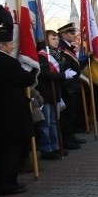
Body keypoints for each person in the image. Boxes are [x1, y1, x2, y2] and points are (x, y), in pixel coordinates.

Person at [0, 7, 37, 195]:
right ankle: (7, 183)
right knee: (10, 150)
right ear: (3, 45)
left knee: (2, 151)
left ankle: (5, 182)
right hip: (10, 111)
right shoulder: (7, 62)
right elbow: (27, 80)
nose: (12, 46)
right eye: (10, 44)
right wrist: (29, 67)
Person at [36, 31, 66, 160]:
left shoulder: (57, 54)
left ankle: (56, 146)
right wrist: (62, 76)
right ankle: (46, 149)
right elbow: (44, 74)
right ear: (46, 40)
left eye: (57, 38)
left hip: (55, 92)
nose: (56, 40)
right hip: (46, 93)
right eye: (53, 38)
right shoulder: (42, 55)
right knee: (46, 123)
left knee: (54, 122)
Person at [55, 23, 85, 150]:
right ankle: (66, 139)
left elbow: (76, 66)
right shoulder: (62, 49)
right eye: (72, 33)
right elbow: (63, 67)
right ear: (64, 35)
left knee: (73, 112)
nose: (75, 35)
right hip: (67, 86)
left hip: (73, 85)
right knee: (67, 115)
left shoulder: (70, 48)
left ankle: (71, 135)